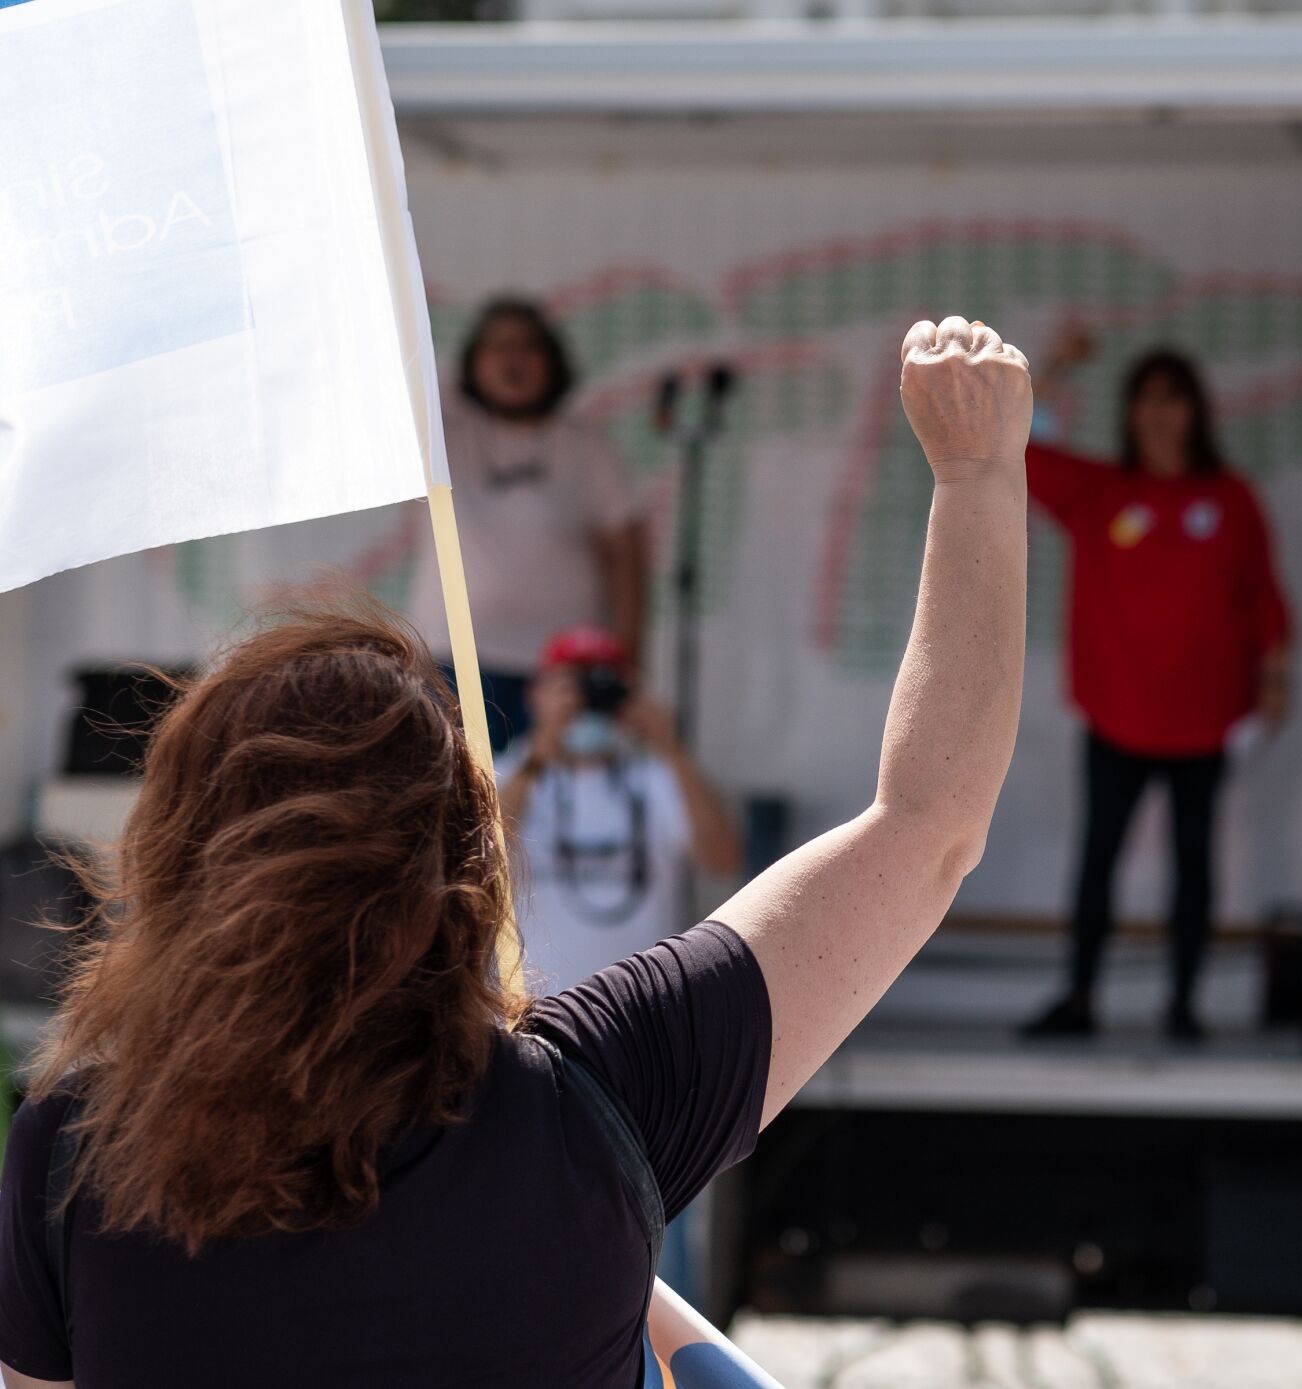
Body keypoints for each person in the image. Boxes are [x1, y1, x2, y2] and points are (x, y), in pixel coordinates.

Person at [0, 315, 1031, 1389]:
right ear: (466, 856)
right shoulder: (602, 1099)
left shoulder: (71, 1149)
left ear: (170, 854)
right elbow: (928, 823)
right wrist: (976, 471)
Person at [1021, 332, 1294, 1043]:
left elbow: (1264, 597)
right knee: (1098, 856)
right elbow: (1019, 448)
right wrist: (1057, 366)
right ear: (1130, 412)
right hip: (1116, 710)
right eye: (1146, 400)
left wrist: (1276, 679)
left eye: (1172, 400)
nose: (1159, 415)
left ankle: (1183, 1002)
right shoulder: (1101, 493)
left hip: (1205, 718)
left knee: (1195, 863)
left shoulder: (1230, 499)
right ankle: (1079, 996)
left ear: (1195, 411)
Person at [409, 297, 648, 752]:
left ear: (553, 362)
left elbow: (627, 557)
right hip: (454, 657)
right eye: (498, 347)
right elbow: (404, 381)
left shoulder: (587, 447)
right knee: (459, 795)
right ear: (474, 362)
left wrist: (627, 657)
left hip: (564, 667)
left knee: (548, 806)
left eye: (528, 346)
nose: (514, 358)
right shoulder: (442, 435)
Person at [498, 625, 742, 994]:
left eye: (600, 687)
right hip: (530, 1010)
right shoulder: (506, 772)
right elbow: (479, 855)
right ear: (536, 695)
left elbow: (723, 860)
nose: (586, 702)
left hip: (639, 1012)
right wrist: (540, 754)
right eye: (572, 686)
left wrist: (669, 746)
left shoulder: (659, 779)